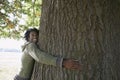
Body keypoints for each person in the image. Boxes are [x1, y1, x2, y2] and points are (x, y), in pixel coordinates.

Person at [14, 28, 81, 80]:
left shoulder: (28, 46)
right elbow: (40, 57)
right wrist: (62, 62)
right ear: (28, 37)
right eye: (33, 35)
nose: (35, 36)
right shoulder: (30, 46)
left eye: (37, 35)